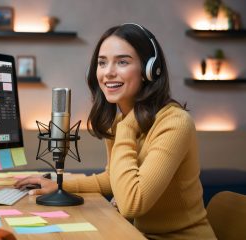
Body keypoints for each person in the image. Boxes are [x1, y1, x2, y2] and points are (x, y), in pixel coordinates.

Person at [14, 23, 216, 239]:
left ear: (150, 70)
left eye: (122, 62)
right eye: (102, 63)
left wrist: (127, 126)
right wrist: (58, 184)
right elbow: (114, 178)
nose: (108, 72)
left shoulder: (175, 123)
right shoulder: (120, 120)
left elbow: (132, 203)